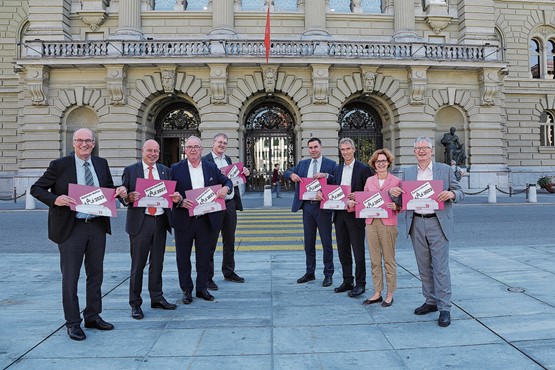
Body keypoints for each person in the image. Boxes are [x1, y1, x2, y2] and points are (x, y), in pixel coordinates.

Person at [30, 128, 127, 341]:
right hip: (71, 227)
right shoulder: (60, 165)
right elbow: (36, 189)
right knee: (71, 277)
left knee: (96, 275)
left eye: (88, 141)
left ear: (93, 143)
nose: (84, 144)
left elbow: (108, 190)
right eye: (80, 140)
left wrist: (119, 191)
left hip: (97, 226)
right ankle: (73, 322)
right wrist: (55, 199)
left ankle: (93, 315)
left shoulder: (101, 164)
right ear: (73, 143)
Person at [389, 136, 464, 327]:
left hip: (437, 223)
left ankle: (444, 307)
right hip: (416, 223)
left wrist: (452, 194)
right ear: (414, 152)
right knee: (423, 266)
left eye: (425, 148)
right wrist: (395, 195)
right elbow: (402, 202)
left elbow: (460, 192)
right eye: (417, 148)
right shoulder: (408, 173)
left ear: (431, 150)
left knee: (440, 267)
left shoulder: (444, 170)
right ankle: (430, 301)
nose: (421, 151)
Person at [121, 139, 179, 320]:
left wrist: (176, 198)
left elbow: (171, 195)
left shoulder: (165, 171)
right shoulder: (131, 170)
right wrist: (128, 197)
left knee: (157, 263)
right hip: (141, 222)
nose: (153, 154)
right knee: (138, 265)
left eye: (156, 151)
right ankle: (135, 303)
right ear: (142, 151)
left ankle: (157, 297)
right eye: (149, 151)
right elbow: (124, 198)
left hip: (161, 221)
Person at [171, 135, 233, 304]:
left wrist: (226, 188)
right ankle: (186, 290)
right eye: (190, 146)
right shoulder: (175, 169)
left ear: (201, 149)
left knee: (204, 256)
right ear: (185, 150)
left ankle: (201, 288)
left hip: (206, 219)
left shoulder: (211, 167)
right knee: (183, 257)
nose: (193, 150)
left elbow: (227, 180)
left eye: (196, 147)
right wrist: (179, 201)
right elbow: (169, 194)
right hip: (184, 219)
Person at [284, 137, 337, 287]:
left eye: (315, 147)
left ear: (321, 147)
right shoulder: (303, 164)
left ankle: (328, 273)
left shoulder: (330, 164)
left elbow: (336, 181)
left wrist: (326, 176)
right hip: (307, 207)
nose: (313, 150)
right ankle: (310, 272)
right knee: (309, 242)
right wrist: (291, 175)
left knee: (326, 242)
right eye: (310, 148)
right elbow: (287, 172)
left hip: (323, 207)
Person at [202, 133, 250, 289]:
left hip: (230, 204)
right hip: (214, 205)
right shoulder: (205, 161)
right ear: (213, 143)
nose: (222, 145)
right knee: (210, 241)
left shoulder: (228, 160)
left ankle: (229, 272)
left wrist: (244, 173)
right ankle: (208, 277)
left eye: (224, 143)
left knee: (229, 240)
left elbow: (234, 179)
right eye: (219, 142)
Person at [331, 138, 372, 298]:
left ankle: (360, 283)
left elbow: (368, 193)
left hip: (355, 215)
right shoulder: (337, 169)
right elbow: (333, 190)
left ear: (354, 150)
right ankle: (347, 280)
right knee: (343, 249)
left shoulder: (363, 169)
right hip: (339, 214)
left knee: (358, 250)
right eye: (343, 150)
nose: (346, 152)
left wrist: (357, 199)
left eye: (348, 149)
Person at [359, 148, 401, 307]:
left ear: (388, 162)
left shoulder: (396, 181)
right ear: (374, 164)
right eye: (378, 161)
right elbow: (364, 199)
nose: (381, 163)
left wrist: (396, 205)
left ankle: (390, 293)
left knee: (389, 260)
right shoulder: (369, 181)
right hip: (371, 222)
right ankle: (377, 292)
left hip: (388, 222)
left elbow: (403, 202)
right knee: (375, 260)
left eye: (384, 161)